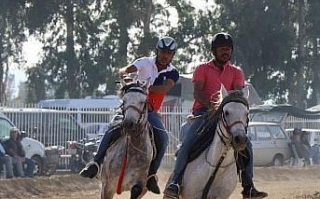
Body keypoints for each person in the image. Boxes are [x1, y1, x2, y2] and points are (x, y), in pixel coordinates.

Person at [163, 32, 268, 199]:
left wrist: (229, 107)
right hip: (203, 113)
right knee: (187, 145)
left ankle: (248, 187)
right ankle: (175, 183)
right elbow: (197, 92)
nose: (225, 52)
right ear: (214, 51)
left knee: (246, 145)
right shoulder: (202, 69)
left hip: (227, 115)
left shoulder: (236, 72)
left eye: (228, 49)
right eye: (222, 49)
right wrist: (212, 107)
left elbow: (237, 95)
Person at [80, 36, 179, 194]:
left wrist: (144, 87)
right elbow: (124, 70)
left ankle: (151, 175)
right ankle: (96, 163)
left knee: (164, 138)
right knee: (112, 128)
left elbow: (164, 89)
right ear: (157, 51)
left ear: (173, 55)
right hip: (132, 107)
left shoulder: (173, 72)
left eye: (168, 53)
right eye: (162, 52)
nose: (165, 55)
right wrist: (126, 77)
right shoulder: (145, 62)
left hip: (150, 111)